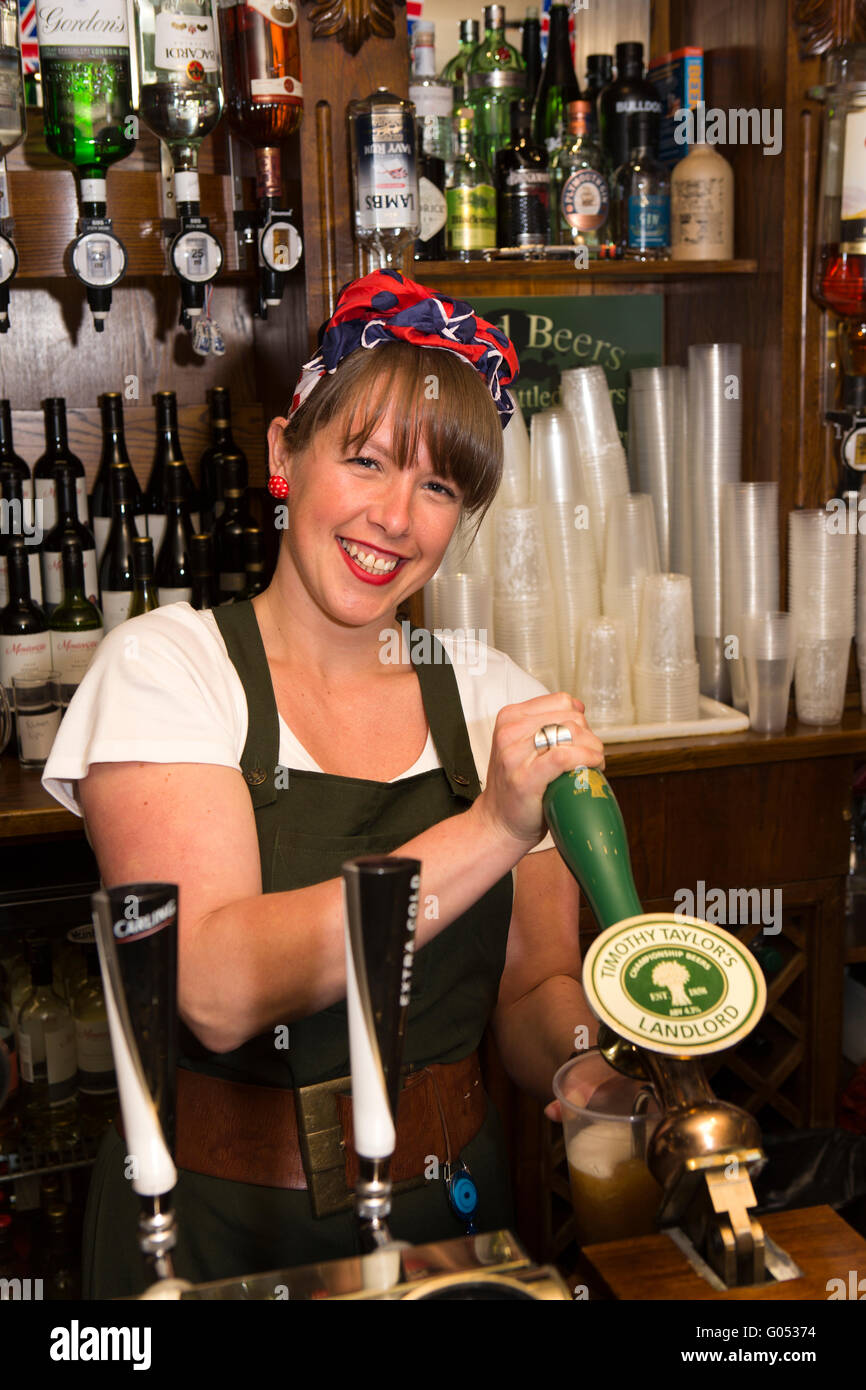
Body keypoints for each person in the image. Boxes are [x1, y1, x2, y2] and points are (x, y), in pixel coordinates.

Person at [42, 269, 607, 1297]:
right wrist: (491, 823)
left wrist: (588, 1071)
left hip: (447, 1221)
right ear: (283, 455)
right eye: (366, 460)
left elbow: (532, 988)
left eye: (437, 485)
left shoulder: (495, 696)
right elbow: (214, 986)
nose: (395, 516)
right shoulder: (167, 667)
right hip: (219, 1229)